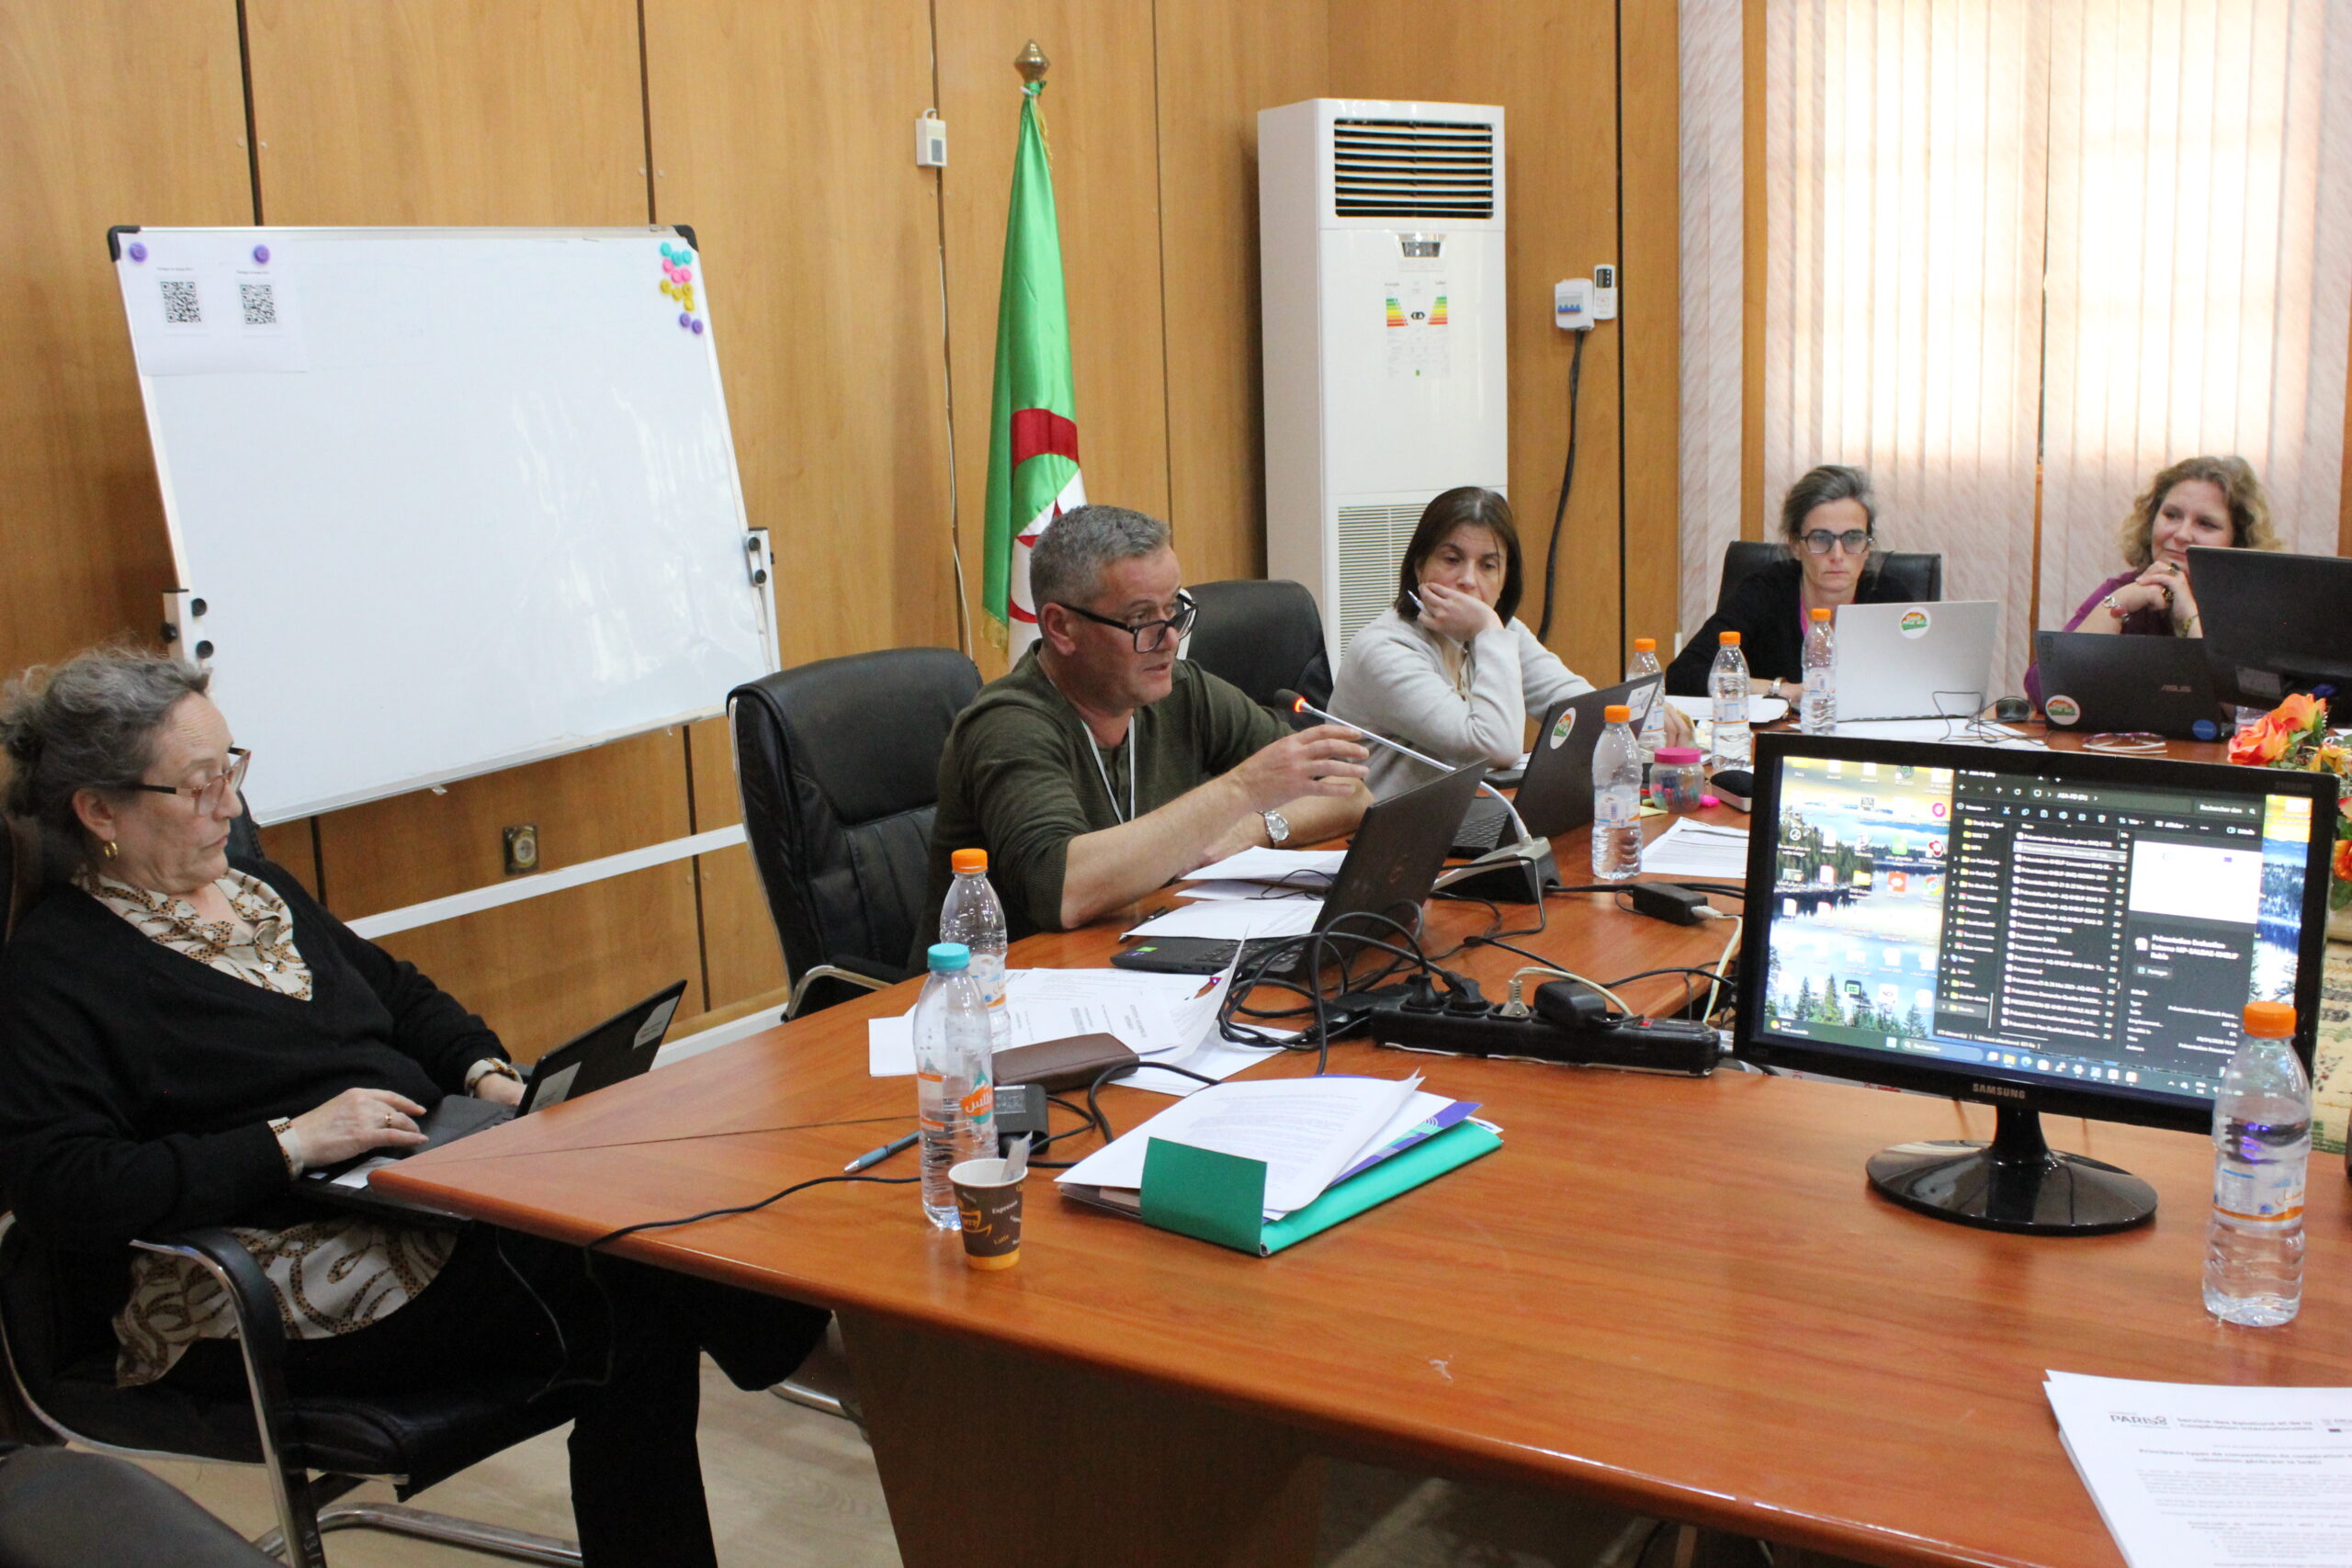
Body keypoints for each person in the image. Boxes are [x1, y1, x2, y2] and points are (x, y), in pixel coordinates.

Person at [0, 650, 826, 1568]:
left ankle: (833, 1346)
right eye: (199, 786)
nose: (230, 807)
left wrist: (485, 1075)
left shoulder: (256, 891)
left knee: (640, 1224)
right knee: (628, 1272)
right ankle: (831, 1346)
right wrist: (290, 1142)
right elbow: (64, 1186)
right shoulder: (59, 966)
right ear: (99, 811)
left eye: (232, 769)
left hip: (409, 1191)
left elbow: (399, 993)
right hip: (276, 1266)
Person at [923, 505, 1372, 943]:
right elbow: (1065, 891)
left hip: (1142, 951)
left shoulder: (1182, 689)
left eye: (1173, 608)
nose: (1170, 638)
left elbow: (1351, 793)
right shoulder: (1008, 724)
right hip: (1002, 980)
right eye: (1140, 619)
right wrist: (1243, 790)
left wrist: (1256, 827)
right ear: (1061, 628)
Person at [1329, 487, 1688, 798]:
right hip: (1362, 839)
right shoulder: (1385, 650)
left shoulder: (1494, 632)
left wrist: (1638, 716)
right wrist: (1487, 628)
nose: (1468, 580)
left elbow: (1573, 704)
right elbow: (1496, 746)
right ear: (1420, 566)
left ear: (1504, 579)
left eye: (1488, 566)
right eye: (1452, 560)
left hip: (1455, 820)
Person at [2023, 455, 2280, 705]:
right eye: (2172, 515)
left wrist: (2188, 617)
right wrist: (2121, 601)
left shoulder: (2251, 609)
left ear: (2237, 541)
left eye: (2206, 524)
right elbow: (2044, 690)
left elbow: (2252, 712)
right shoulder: (2125, 588)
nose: (2182, 534)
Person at [1667, 464, 1919, 698]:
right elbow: (1685, 674)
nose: (1837, 555)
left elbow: (1924, 682)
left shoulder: (1889, 597)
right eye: (1820, 538)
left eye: (1853, 538)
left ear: (1867, 547)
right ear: (1796, 545)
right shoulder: (1764, 592)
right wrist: (1783, 690)